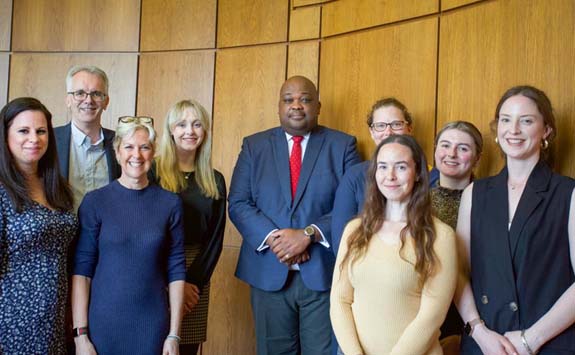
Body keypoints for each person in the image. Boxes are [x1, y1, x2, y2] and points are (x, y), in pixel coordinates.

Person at [228, 75, 361, 355]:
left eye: (305, 99)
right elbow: (239, 202)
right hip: (268, 273)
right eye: (289, 99)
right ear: (279, 106)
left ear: (318, 106)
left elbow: (354, 207)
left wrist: (308, 235)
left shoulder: (343, 145)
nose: (297, 105)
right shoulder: (254, 146)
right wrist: (278, 240)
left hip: (324, 275)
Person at [456, 86, 575, 354]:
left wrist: (530, 339)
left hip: (548, 344)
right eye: (506, 119)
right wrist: (478, 330)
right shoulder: (475, 193)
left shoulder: (568, 192)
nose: (514, 129)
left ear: (546, 130)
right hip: (485, 344)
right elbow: (459, 273)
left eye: (527, 120)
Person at [331, 134, 458, 355]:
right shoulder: (354, 230)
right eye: (383, 167)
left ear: (418, 173)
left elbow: (432, 316)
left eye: (400, 167)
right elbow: (340, 301)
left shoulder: (440, 236)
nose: (390, 176)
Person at [72, 116, 186, 355]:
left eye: (145, 147)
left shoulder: (170, 204)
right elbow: (82, 272)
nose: (137, 155)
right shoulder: (95, 202)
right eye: (129, 147)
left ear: (153, 152)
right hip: (103, 325)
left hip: (153, 325)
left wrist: (174, 334)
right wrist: (80, 336)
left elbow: (176, 271)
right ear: (117, 152)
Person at [0, 97, 77, 353]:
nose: (34, 138)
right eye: (23, 130)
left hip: (54, 318)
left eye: (41, 131)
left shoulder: (57, 186)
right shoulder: (1, 190)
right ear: (5, 135)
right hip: (12, 321)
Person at [151, 99, 226, 355]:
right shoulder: (152, 171)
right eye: (181, 124)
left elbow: (215, 238)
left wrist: (190, 284)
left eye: (197, 124)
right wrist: (170, 281)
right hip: (153, 270)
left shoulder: (214, 179)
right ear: (171, 129)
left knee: (185, 348)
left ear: (205, 131)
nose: (189, 131)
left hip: (196, 277)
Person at [331, 97, 439, 255]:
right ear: (372, 132)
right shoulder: (355, 175)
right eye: (380, 126)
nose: (388, 132)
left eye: (396, 124)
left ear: (409, 129)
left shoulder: (432, 176)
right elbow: (341, 241)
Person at [431, 121, 483, 352]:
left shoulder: (490, 200)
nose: (451, 154)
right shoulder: (414, 201)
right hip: (428, 308)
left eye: (463, 148)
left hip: (477, 311)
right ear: (435, 150)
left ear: (477, 157)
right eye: (445, 145)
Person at [55, 65, 120, 211]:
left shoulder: (121, 144)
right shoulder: (49, 141)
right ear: (68, 100)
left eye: (96, 93)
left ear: (106, 101)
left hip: (106, 233)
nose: (88, 100)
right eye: (80, 93)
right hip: (62, 232)